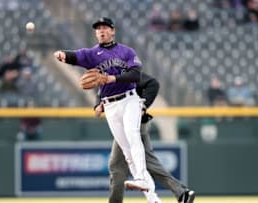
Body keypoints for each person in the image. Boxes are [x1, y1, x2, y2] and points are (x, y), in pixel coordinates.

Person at [54, 17, 161, 203]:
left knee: (132, 134)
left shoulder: (126, 51)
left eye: (104, 28)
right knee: (127, 154)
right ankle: (154, 199)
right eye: (98, 29)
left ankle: (142, 177)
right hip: (110, 106)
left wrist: (112, 79)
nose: (101, 31)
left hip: (129, 100)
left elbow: (135, 75)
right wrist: (62, 54)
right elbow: (75, 56)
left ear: (112, 30)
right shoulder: (91, 54)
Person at [94, 72, 195, 203]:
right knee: (127, 164)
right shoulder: (109, 72)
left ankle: (178, 193)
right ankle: (180, 193)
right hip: (124, 124)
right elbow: (102, 91)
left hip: (133, 123)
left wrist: (143, 105)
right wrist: (98, 104)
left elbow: (153, 83)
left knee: (122, 165)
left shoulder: (126, 72)